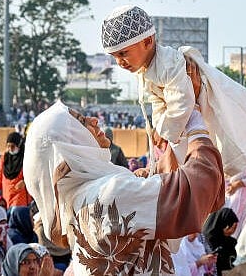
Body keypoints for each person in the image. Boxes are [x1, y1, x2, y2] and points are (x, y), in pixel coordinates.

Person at [23, 100, 228, 275]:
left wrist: (176, 130)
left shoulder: (80, 200)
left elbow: (156, 182)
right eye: (82, 122)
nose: (94, 121)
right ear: (70, 145)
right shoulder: (108, 195)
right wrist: (195, 126)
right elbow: (198, 188)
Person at [101, 5, 246, 176]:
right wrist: (160, 128)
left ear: (147, 42)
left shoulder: (169, 64)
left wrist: (166, 132)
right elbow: (159, 105)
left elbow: (181, 103)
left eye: (123, 53)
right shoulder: (146, 71)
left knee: (234, 142)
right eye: (114, 56)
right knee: (232, 149)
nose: (119, 62)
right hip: (196, 113)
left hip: (209, 101)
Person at [0, 132, 32, 208]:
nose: (10, 149)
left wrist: (25, 181)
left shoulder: (26, 157)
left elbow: (31, 173)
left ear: (19, 145)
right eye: (8, 146)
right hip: (6, 194)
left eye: (13, 146)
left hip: (20, 194)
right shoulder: (5, 157)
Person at [202, 208, 239, 276]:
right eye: (233, 228)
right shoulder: (205, 240)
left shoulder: (231, 242)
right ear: (224, 225)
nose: (233, 231)